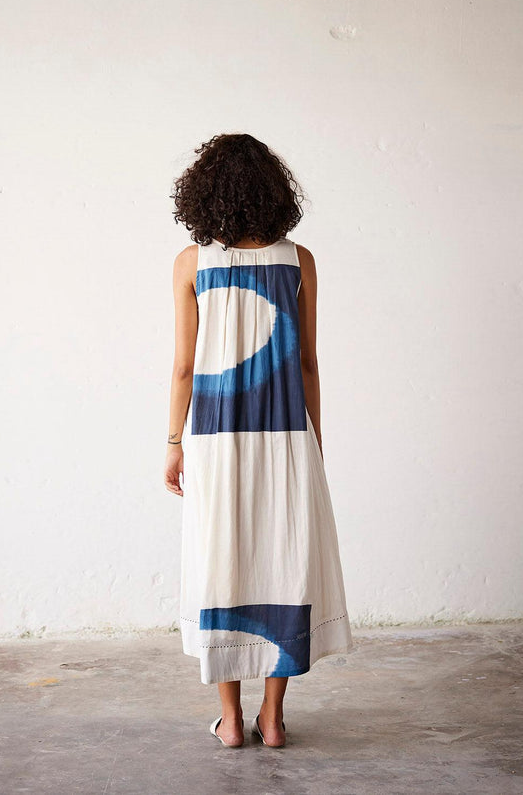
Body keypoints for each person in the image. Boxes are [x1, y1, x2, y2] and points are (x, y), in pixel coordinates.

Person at [164, 133, 352, 748]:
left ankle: (231, 721)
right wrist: (314, 440)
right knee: (283, 560)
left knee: (221, 560)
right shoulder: (299, 261)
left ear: (204, 192)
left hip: (216, 437)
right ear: (274, 191)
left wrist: (173, 442)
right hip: (286, 432)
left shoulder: (192, 263)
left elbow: (185, 368)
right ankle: (273, 718)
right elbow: (308, 364)